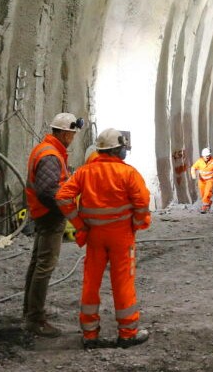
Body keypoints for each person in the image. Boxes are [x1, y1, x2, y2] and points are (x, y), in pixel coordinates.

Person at [56, 128, 152, 349]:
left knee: (91, 283)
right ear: (117, 150)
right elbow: (142, 203)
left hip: (95, 236)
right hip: (121, 236)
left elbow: (62, 197)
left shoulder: (84, 172)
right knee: (123, 283)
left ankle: (90, 335)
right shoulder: (128, 173)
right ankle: (127, 333)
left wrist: (80, 225)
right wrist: (136, 225)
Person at [22, 112, 84, 337]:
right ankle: (35, 319)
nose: (73, 137)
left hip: (42, 213)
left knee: (37, 262)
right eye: (72, 133)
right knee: (44, 266)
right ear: (64, 133)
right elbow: (48, 191)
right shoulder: (50, 154)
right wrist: (69, 209)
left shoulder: (47, 149)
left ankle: (29, 312)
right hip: (49, 215)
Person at [190, 147, 213, 213]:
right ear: (203, 155)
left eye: (208, 155)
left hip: (210, 180)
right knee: (203, 194)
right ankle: (209, 203)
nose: (207, 156)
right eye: (206, 155)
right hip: (201, 180)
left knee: (207, 193)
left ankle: (204, 207)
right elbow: (193, 168)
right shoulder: (199, 161)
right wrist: (193, 175)